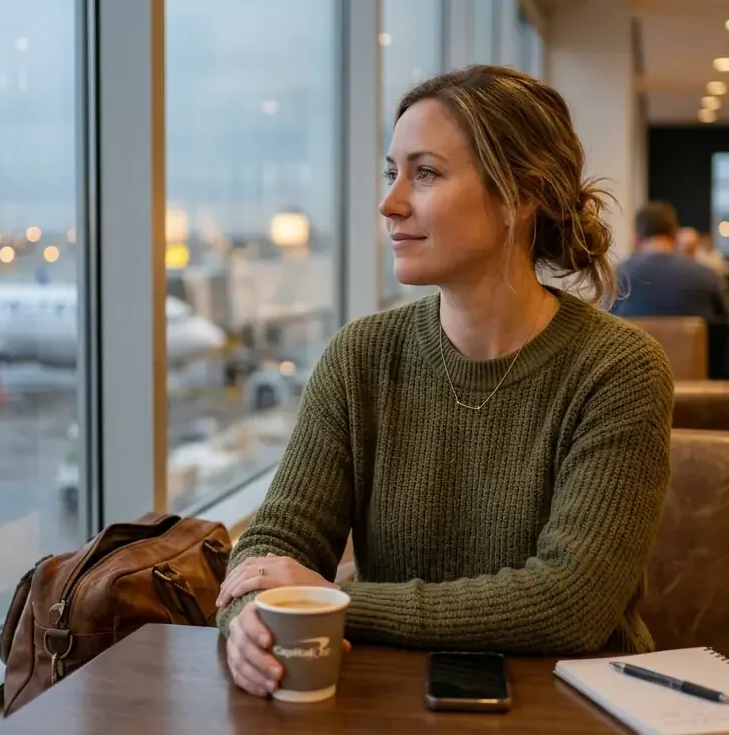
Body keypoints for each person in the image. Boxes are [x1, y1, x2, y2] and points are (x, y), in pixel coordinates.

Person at [214, 65, 674, 699]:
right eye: (391, 172)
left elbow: (571, 603)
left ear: (520, 192)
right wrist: (250, 622)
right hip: (393, 702)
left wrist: (335, 600)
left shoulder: (618, 369)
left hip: (578, 708)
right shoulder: (362, 356)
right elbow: (273, 542)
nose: (390, 201)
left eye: (424, 173)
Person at [611, 202, 729, 327]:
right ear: (675, 236)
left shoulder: (616, 277)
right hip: (693, 347)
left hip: (632, 346)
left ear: (637, 239)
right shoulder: (707, 276)